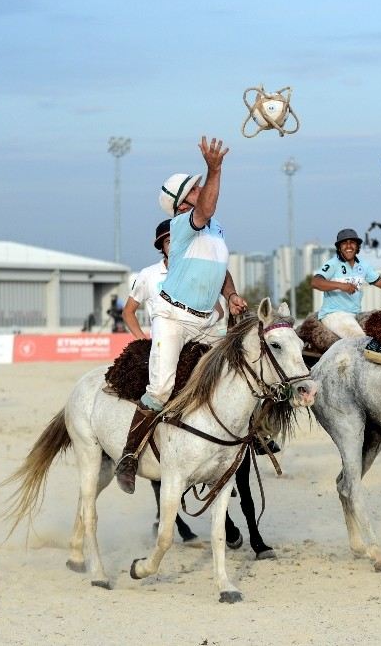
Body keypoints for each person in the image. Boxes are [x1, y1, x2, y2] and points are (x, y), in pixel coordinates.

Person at [115, 137, 248, 494]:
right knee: (159, 390)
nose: (201, 189)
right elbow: (205, 207)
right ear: (182, 204)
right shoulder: (184, 224)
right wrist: (215, 168)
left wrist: (231, 294)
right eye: (194, 188)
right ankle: (129, 455)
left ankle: (235, 445)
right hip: (173, 318)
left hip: (207, 321)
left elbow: (221, 268)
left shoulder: (215, 228)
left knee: (236, 372)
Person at [311, 228, 381, 337]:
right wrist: (341, 286)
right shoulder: (333, 264)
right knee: (359, 340)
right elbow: (315, 282)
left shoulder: (364, 266)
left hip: (354, 315)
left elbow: (380, 282)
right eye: (344, 243)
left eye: (352, 242)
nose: (349, 246)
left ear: (357, 246)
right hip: (334, 314)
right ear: (339, 248)